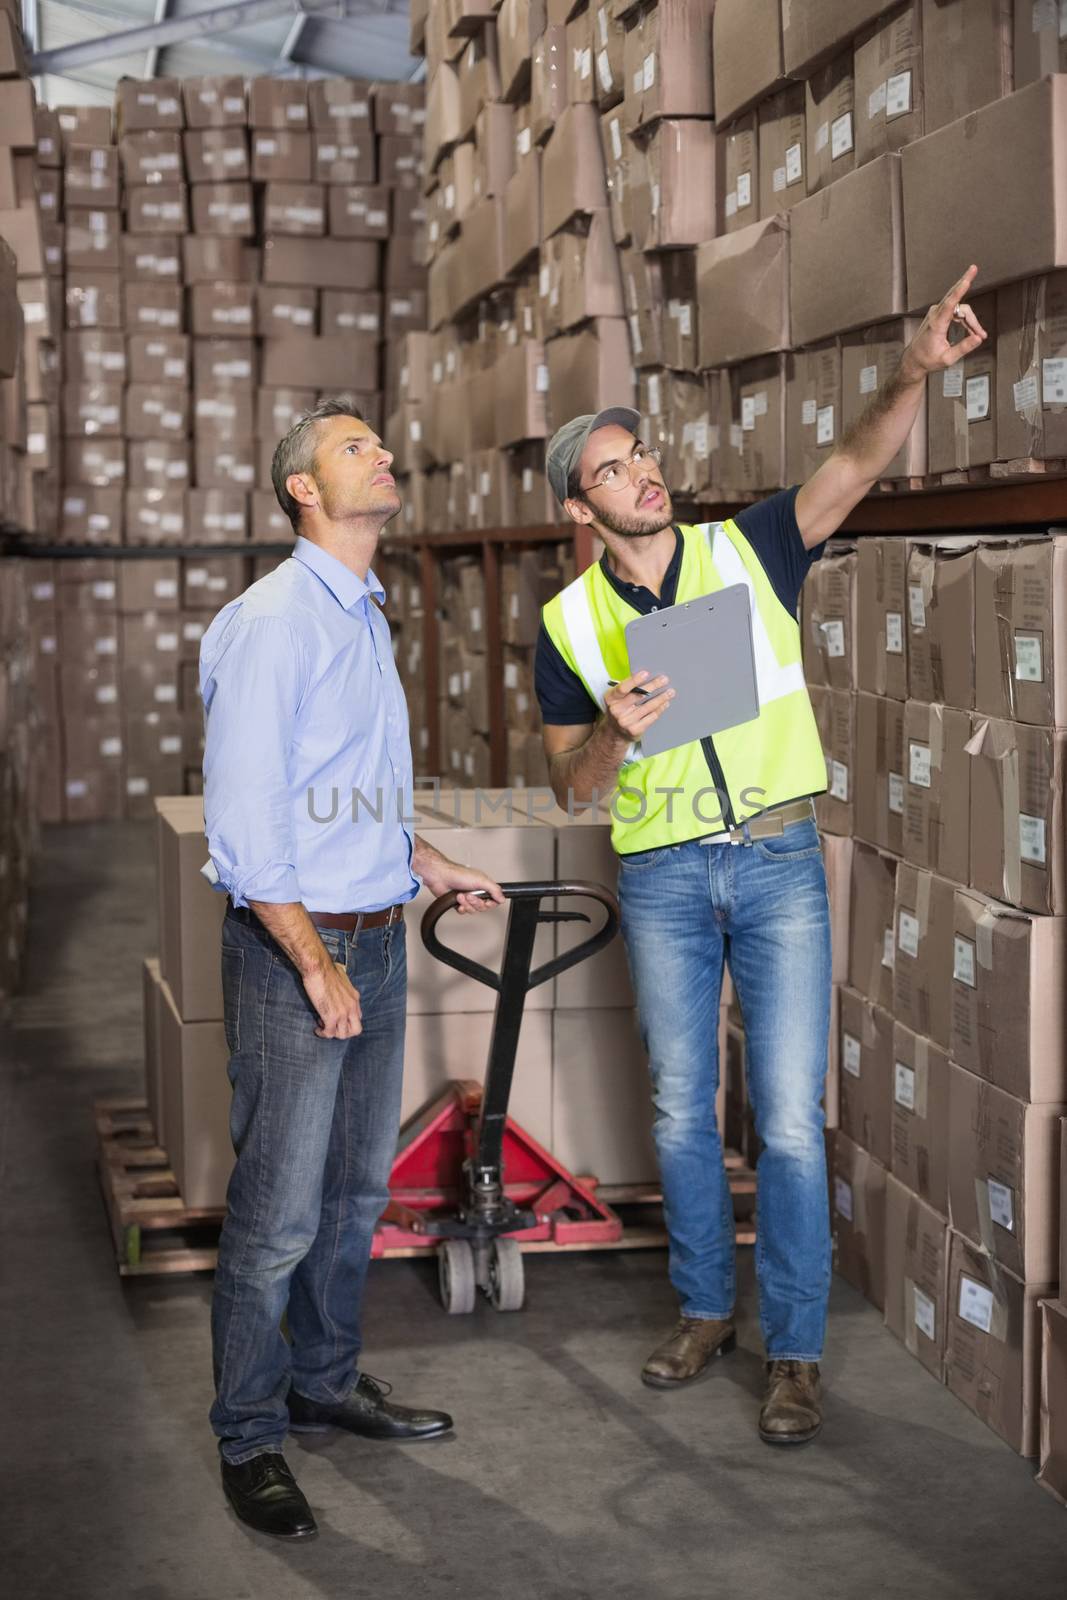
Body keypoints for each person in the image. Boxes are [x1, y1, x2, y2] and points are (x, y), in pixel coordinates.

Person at [536, 268, 987, 1446]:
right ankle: (702, 1309)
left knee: (787, 1118)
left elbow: (853, 464)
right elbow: (564, 782)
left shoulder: (751, 548)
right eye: (613, 470)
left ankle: (792, 1349)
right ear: (582, 511)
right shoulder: (566, 625)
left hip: (779, 861)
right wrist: (609, 734)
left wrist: (911, 373)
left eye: (642, 457)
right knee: (684, 1111)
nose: (642, 473)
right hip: (666, 877)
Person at [199, 397, 504, 1540]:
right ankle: (248, 1433)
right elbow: (244, 825)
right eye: (350, 447)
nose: (380, 452)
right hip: (303, 950)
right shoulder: (274, 621)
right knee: (276, 1213)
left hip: (374, 935)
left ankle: (322, 1381)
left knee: (354, 1196)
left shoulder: (365, 612)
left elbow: (346, 787)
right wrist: (312, 963)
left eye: (378, 440)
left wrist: (420, 859)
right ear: (305, 491)